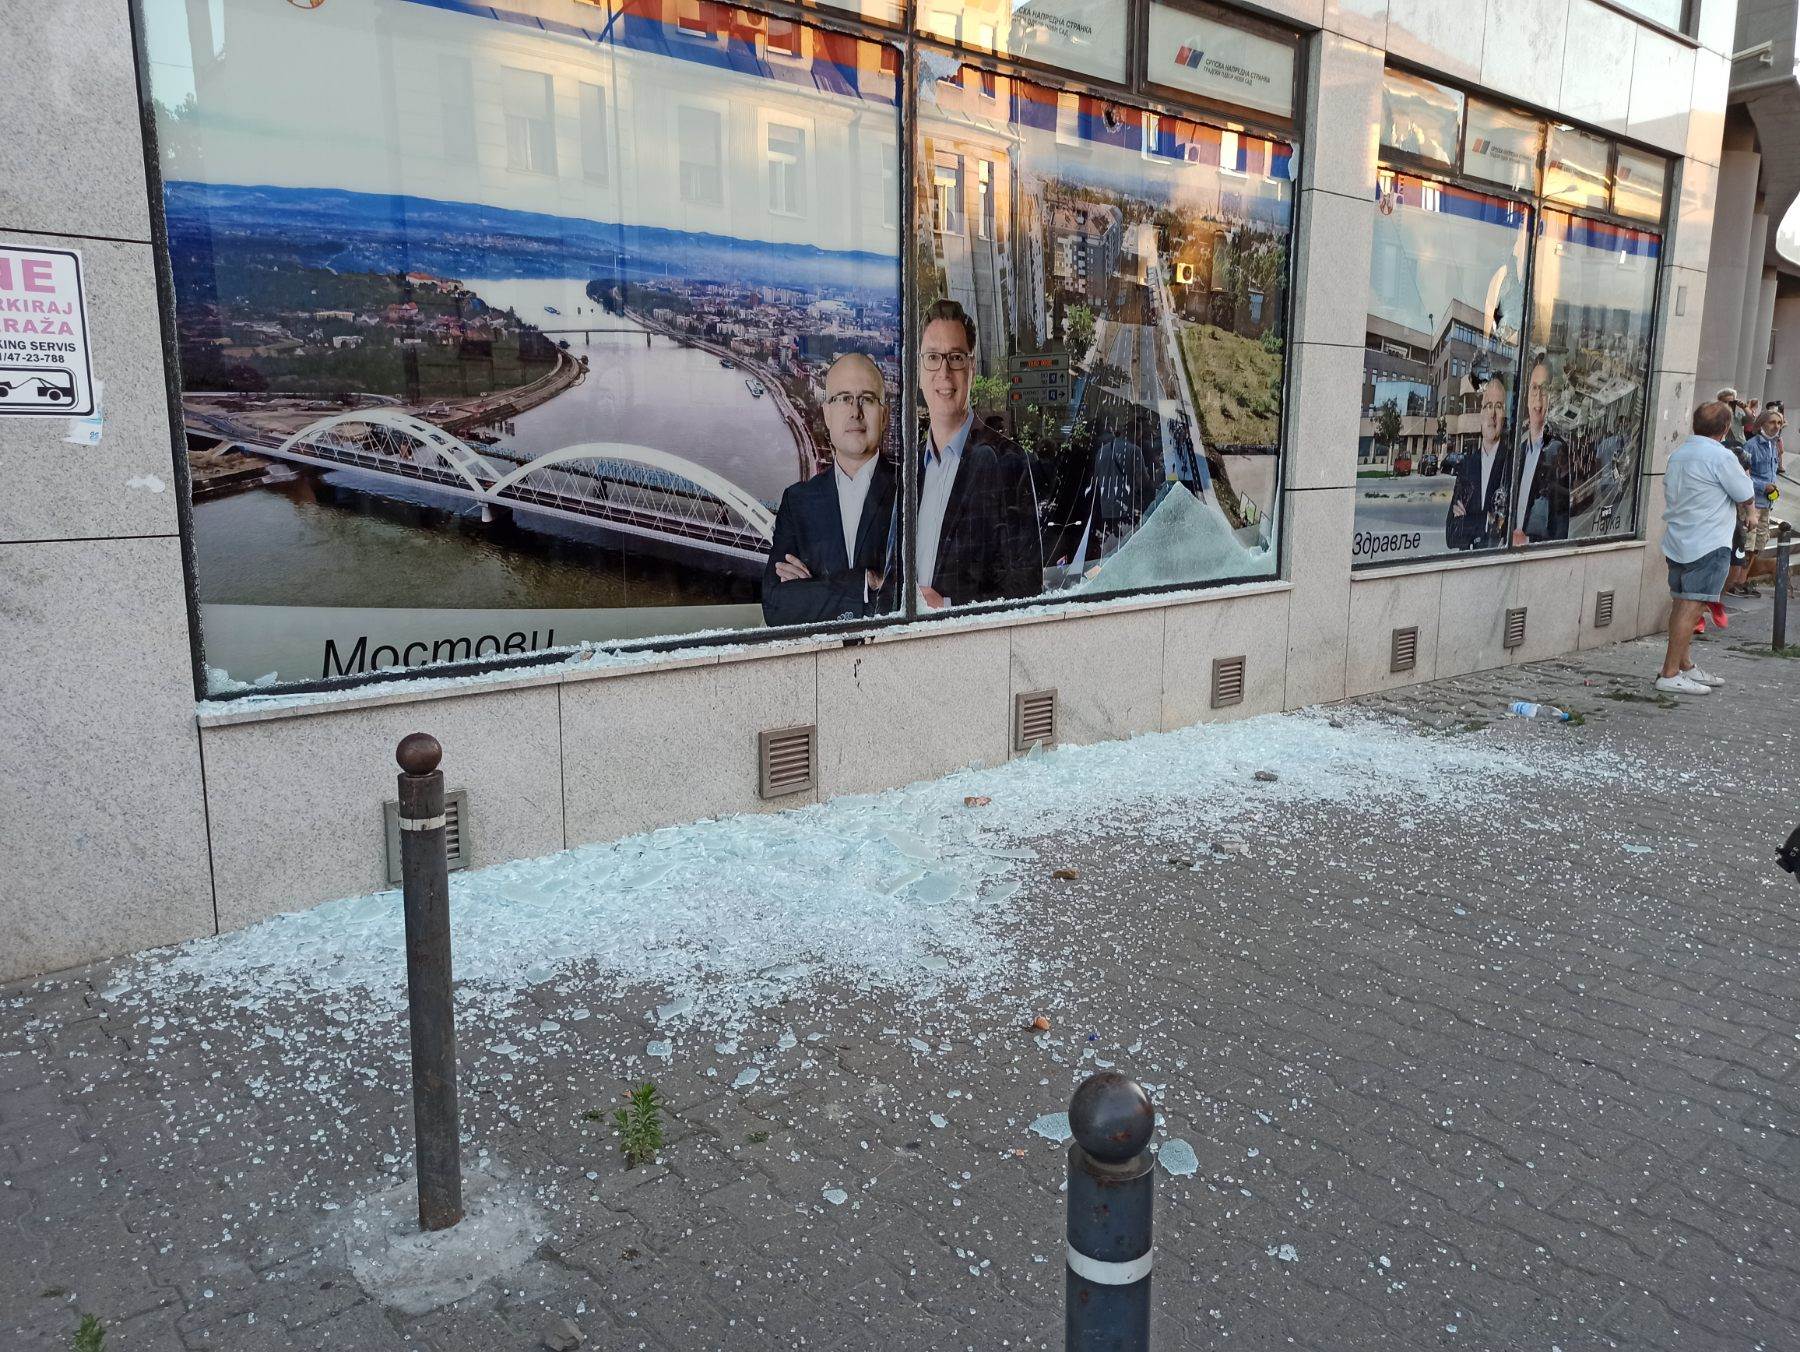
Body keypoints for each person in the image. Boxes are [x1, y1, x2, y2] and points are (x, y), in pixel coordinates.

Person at [914, 298, 1043, 608]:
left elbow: (1026, 584)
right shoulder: (907, 469)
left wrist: (947, 606)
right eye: (933, 357)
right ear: (919, 370)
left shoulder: (1008, 463)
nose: (943, 373)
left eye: (955, 358)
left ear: (971, 368)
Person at [760, 352, 898, 626]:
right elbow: (776, 605)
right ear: (827, 414)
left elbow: (914, 595)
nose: (855, 411)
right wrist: (865, 584)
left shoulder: (909, 493)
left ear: (884, 416)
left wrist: (813, 589)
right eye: (844, 398)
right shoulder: (797, 501)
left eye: (867, 399)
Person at [1657, 400, 1753, 696]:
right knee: (1692, 606)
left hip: (1677, 541)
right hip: (1708, 542)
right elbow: (1745, 492)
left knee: (1682, 603)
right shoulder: (1721, 457)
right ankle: (1670, 673)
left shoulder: (1679, 454)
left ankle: (1684, 665)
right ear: (1726, 429)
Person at [1446, 373, 1512, 551]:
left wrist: (1467, 521)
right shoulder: (1467, 465)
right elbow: (1451, 535)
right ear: (1480, 413)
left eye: (1498, 406)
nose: (1492, 414)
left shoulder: (1512, 463)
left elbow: (1506, 529)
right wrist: (1487, 522)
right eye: (1488, 406)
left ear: (1504, 415)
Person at [1513, 352, 1569, 544]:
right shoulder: (1517, 450)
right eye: (1534, 388)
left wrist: (1527, 541)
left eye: (1544, 389)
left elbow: (1560, 528)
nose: (1538, 398)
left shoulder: (1558, 451)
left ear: (1551, 396)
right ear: (1527, 395)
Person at [1729, 406, 1786, 596]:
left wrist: (1772, 489)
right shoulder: (1751, 445)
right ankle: (1733, 582)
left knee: (1758, 544)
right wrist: (1764, 486)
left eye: (1779, 423)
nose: (1776, 426)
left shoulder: (1774, 444)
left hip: (1766, 504)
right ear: (1761, 424)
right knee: (1746, 544)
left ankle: (1742, 580)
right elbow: (1742, 476)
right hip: (1751, 504)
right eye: (1772, 422)